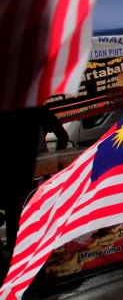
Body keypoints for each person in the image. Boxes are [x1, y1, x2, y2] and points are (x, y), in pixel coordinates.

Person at [1, 105, 69, 253]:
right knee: (29, 212)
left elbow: (62, 135)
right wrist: (56, 161)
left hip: (18, 174)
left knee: (16, 213)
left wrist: (56, 161)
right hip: (37, 171)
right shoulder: (39, 110)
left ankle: (19, 251)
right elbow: (62, 135)